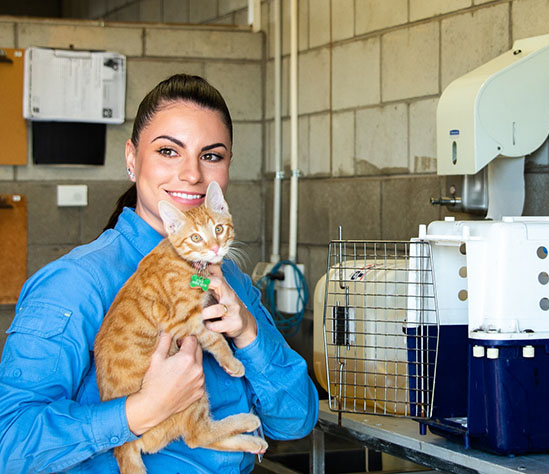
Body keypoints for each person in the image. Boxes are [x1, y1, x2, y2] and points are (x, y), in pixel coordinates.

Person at [0, 74, 319, 473]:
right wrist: (138, 412)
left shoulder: (232, 281)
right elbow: (8, 444)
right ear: (132, 159)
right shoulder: (76, 282)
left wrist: (248, 334)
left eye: (211, 156)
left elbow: (295, 421)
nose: (191, 175)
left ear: (228, 168)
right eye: (169, 151)